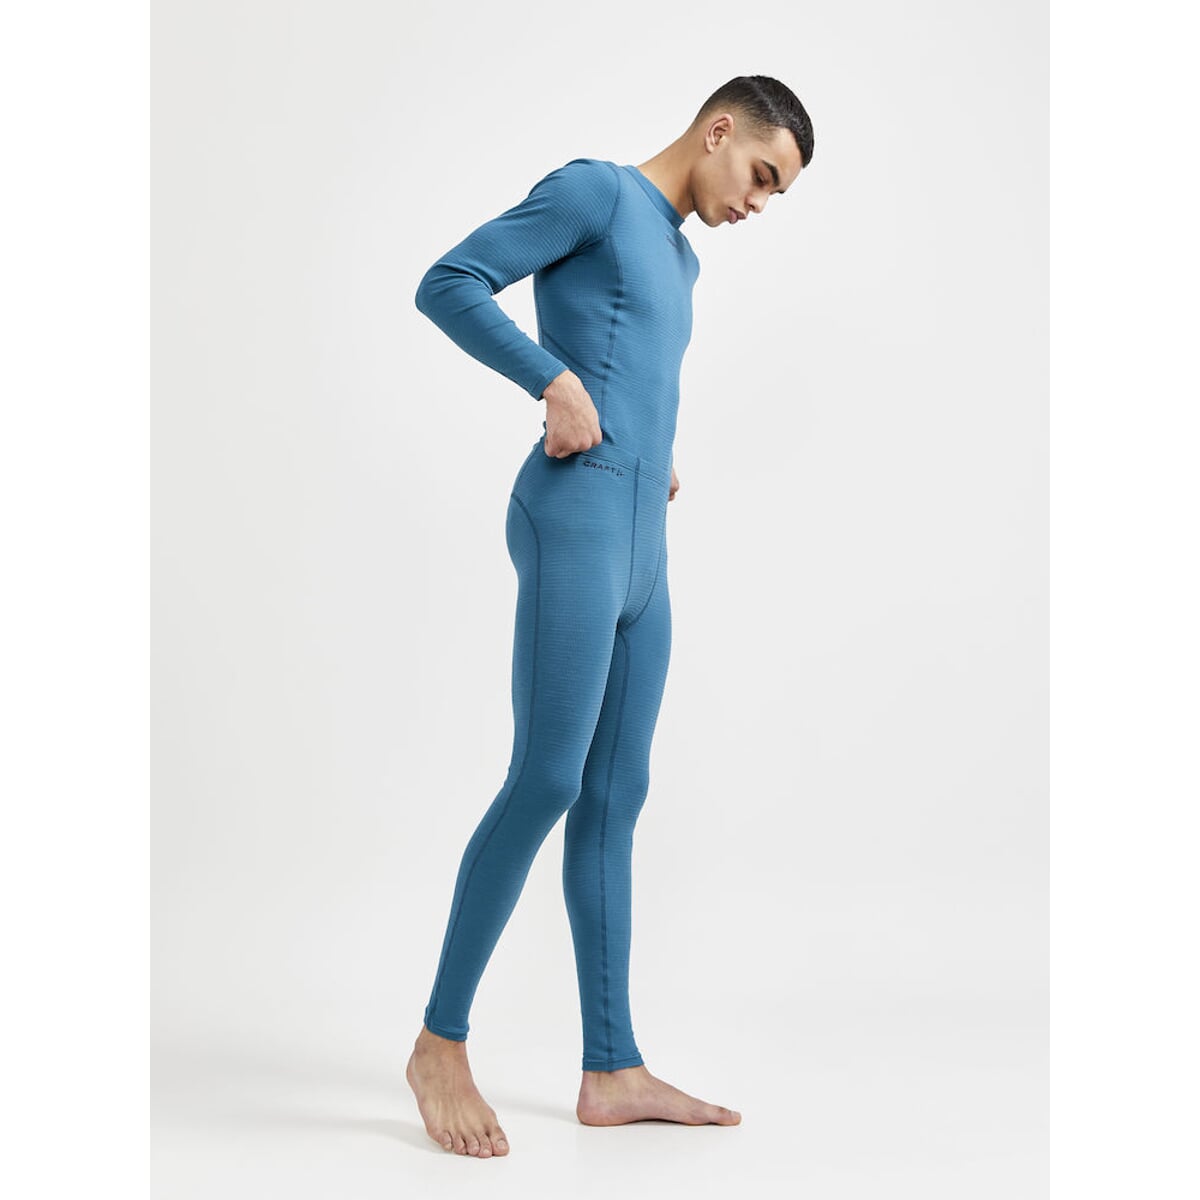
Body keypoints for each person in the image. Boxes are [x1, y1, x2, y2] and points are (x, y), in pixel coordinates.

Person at [405, 75, 813, 1157]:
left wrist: (651, 451)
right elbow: (450, 282)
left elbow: (630, 369)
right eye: (761, 175)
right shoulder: (594, 192)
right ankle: (440, 1043)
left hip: (643, 546)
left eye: (775, 194)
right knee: (547, 776)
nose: (757, 203)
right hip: (573, 520)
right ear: (718, 130)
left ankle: (612, 1066)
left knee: (616, 794)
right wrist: (552, 382)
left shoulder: (681, 261)